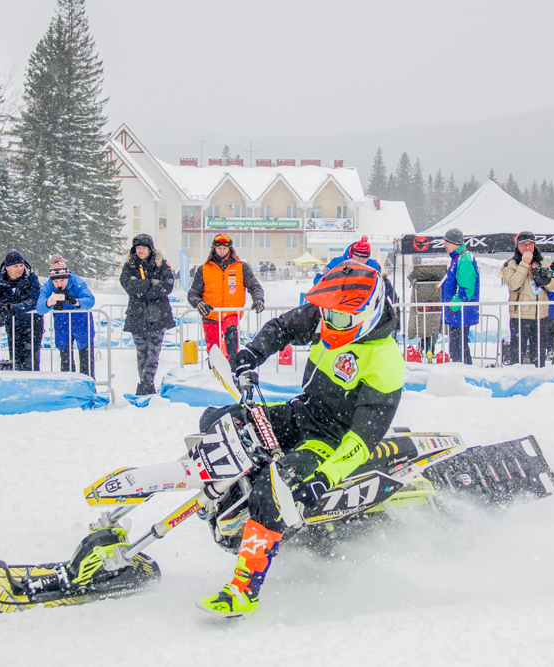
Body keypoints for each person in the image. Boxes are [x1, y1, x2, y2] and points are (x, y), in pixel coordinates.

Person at [197, 261, 402, 617]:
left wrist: (325, 477)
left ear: (367, 315)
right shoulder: (335, 312)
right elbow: (284, 327)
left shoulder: (385, 361)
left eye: (336, 319)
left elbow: (361, 440)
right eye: (324, 315)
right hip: (301, 413)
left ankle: (245, 590)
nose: (326, 324)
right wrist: (251, 353)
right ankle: (223, 504)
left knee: (269, 491)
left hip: (327, 442)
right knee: (219, 419)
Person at [187, 234, 265, 359]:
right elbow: (193, 293)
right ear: (214, 249)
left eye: (225, 248)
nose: (222, 251)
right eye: (219, 248)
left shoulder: (241, 267)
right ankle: (214, 367)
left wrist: (258, 299)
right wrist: (198, 303)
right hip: (210, 313)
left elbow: (254, 286)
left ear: (230, 249)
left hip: (231, 313)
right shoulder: (204, 269)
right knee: (213, 349)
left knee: (231, 335)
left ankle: (233, 365)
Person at [120, 233, 175, 395]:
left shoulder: (161, 264)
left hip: (158, 315)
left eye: (143, 247)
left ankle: (145, 383)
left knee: (153, 353)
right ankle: (146, 384)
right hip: (137, 315)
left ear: (150, 249)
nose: (141, 251)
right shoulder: (129, 266)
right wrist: (148, 284)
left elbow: (167, 285)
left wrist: (146, 291)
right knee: (141, 353)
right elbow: (127, 284)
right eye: (138, 248)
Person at [502, 231, 554, 366]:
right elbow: (514, 284)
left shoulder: (542, 262)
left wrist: (546, 280)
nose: (527, 248)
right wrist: (524, 263)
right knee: (517, 355)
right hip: (520, 316)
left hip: (541, 316)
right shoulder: (510, 264)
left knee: (539, 356)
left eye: (530, 244)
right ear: (517, 246)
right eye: (523, 245)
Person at [36, 254, 96, 377]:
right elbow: (39, 308)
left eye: (62, 280)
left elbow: (90, 300)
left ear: (68, 277)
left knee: (86, 363)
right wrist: (48, 303)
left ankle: (88, 389)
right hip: (62, 326)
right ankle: (70, 389)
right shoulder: (48, 285)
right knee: (66, 363)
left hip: (82, 325)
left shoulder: (77, 282)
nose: (59, 284)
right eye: (56, 281)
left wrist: (76, 302)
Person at [0, 250, 44, 371]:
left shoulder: (31, 277)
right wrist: (0, 306)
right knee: (16, 361)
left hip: (32, 323)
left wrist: (15, 308)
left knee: (31, 360)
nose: (20, 269)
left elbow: (34, 300)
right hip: (12, 325)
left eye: (21, 265)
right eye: (16, 266)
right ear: (7, 268)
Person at [441, 228, 479, 365]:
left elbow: (467, 289)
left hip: (460, 312)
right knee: (458, 348)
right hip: (458, 313)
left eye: (446, 242)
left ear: (455, 243)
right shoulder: (459, 258)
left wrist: (454, 305)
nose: (444, 245)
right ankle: (463, 374)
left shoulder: (464, 259)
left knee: (458, 350)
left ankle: (463, 376)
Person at [406, 264, 446, 362]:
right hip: (432, 311)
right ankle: (427, 349)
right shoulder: (436, 287)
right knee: (431, 330)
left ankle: (425, 348)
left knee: (429, 331)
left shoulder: (421, 286)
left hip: (426, 312)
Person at [313, 236, 381, 284]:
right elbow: (318, 279)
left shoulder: (373, 265)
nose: (361, 260)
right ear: (352, 253)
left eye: (365, 257)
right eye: (359, 256)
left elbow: (379, 285)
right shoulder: (337, 262)